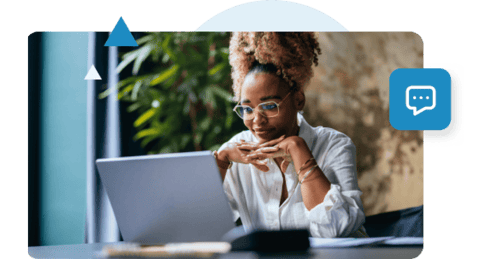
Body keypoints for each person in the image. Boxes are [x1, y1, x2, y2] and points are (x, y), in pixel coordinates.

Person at [213, 32, 367, 238]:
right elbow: (198, 227)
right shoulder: (237, 150)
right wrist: (221, 160)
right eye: (247, 109)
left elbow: (335, 229)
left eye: (269, 106)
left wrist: (298, 149)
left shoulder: (334, 145)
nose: (257, 121)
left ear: (298, 100)